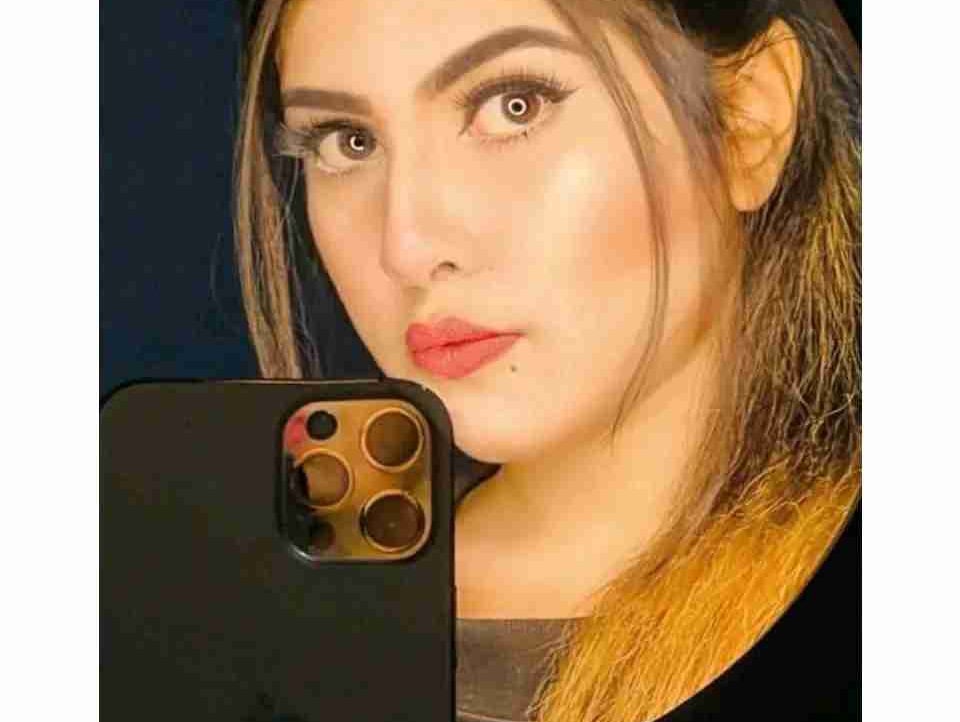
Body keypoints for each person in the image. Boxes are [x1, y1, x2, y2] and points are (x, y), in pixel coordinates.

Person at [233, 0, 861, 719]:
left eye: (514, 106)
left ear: (748, 120)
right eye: (347, 142)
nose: (406, 247)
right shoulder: (251, 623)